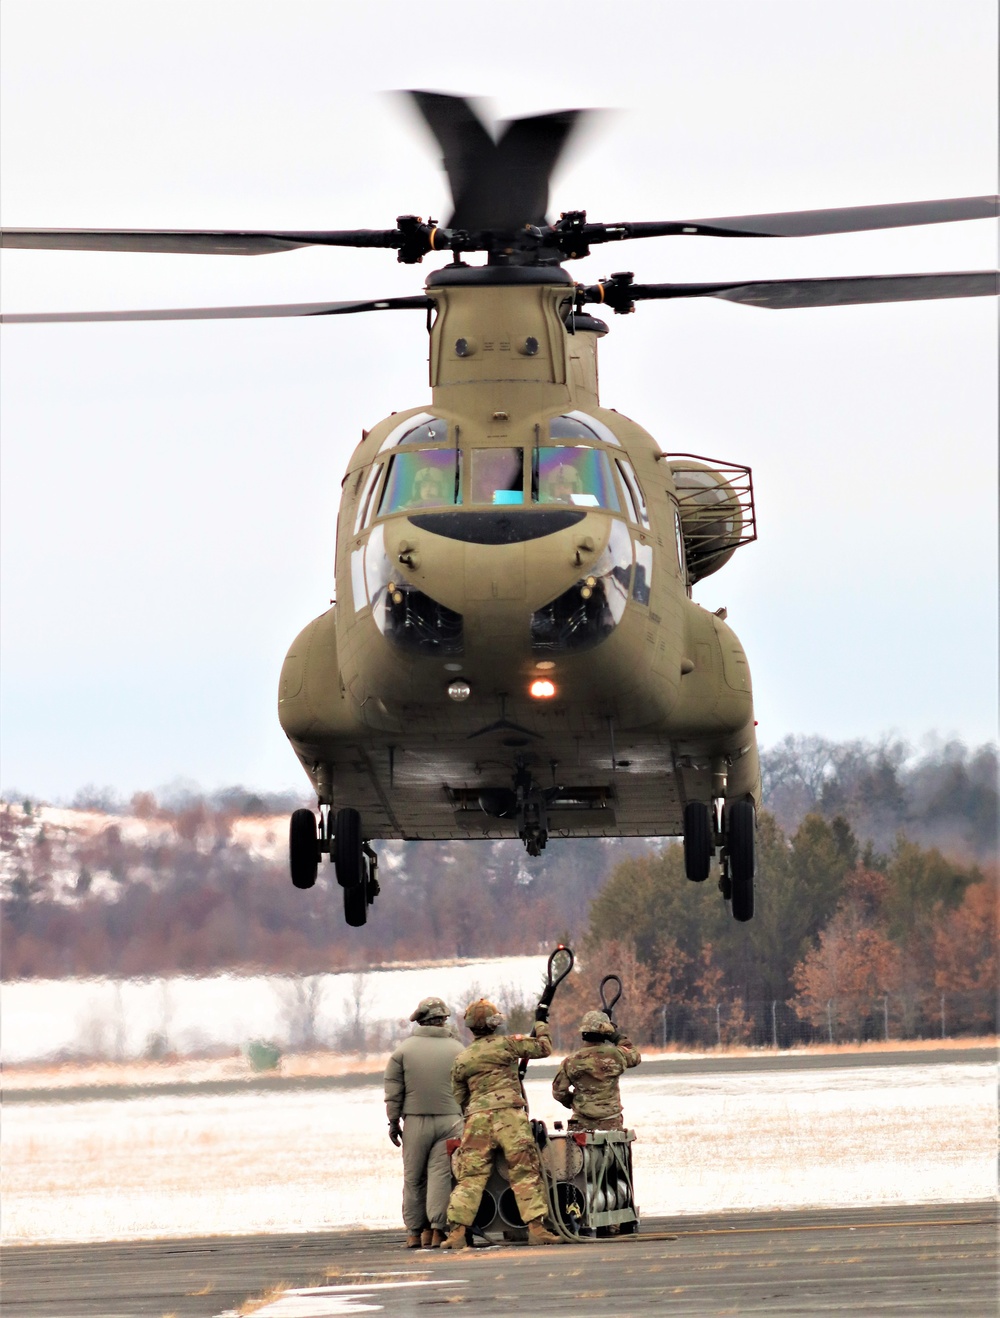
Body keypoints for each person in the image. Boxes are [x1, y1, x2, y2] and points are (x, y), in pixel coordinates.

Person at [439, 999, 561, 1249]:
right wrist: (541, 1023)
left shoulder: (463, 1058)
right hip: (510, 1118)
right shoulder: (509, 1045)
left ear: (471, 1027)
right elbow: (543, 1047)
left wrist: (475, 1111)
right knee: (525, 1172)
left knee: (470, 1177)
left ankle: (456, 1234)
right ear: (496, 1023)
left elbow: (459, 1095)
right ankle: (536, 1229)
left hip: (478, 1119)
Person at [384, 996, 464, 1248]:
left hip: (416, 1122)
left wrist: (393, 1122)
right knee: (441, 1175)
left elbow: (394, 1090)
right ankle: (438, 1230)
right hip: (451, 1120)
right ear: (443, 1020)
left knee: (414, 1177)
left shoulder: (403, 1052)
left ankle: (414, 1233)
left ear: (420, 1021)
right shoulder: (459, 1050)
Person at [551, 1010, 641, 1131]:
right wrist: (616, 1036)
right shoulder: (616, 1055)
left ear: (583, 1033)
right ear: (605, 1034)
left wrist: (576, 1102)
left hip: (581, 1123)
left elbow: (559, 1092)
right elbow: (635, 1056)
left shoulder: (570, 1061)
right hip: (611, 1121)